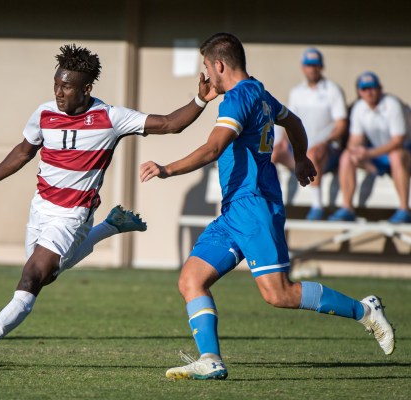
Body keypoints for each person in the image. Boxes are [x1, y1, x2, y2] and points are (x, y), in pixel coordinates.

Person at [140, 33, 395, 381]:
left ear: (218, 64)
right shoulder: (258, 92)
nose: (206, 75)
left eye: (206, 67)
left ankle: (365, 310)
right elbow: (294, 123)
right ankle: (210, 359)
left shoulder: (236, 101)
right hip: (234, 212)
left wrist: (167, 169)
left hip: (254, 206)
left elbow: (213, 148)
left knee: (280, 294)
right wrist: (301, 158)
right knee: (191, 280)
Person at [0, 43, 216, 366]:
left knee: (31, 278)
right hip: (40, 209)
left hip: (72, 215)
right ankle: (111, 226)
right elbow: (23, 153)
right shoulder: (44, 113)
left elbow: (169, 124)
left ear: (86, 88)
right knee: (44, 275)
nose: (59, 92)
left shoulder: (110, 118)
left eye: (66, 86)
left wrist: (201, 99)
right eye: (56, 84)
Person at [272, 48, 348, 220]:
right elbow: (288, 122)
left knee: (313, 152)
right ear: (303, 67)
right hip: (299, 153)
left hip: (327, 152)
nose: (312, 69)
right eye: (308, 65)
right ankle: (271, 201)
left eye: (315, 65)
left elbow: (341, 124)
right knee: (274, 151)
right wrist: (283, 140)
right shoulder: (296, 92)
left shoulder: (333, 90)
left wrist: (326, 142)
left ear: (321, 67)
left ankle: (317, 207)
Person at [328, 71, 411, 223]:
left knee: (396, 155)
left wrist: (368, 153)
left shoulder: (392, 104)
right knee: (347, 156)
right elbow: (355, 140)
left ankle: (404, 209)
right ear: (359, 92)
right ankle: (347, 208)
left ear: (380, 88)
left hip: (404, 155)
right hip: (380, 156)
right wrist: (357, 150)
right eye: (365, 88)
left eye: (372, 88)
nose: (369, 92)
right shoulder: (359, 108)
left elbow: (398, 141)